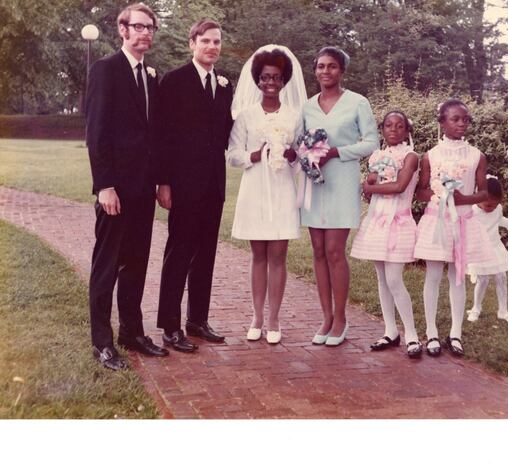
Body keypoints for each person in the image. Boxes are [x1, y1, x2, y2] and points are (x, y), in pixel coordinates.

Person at [85, 3, 168, 370]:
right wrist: (104, 186)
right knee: (107, 266)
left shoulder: (151, 75)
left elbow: (155, 136)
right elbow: (96, 133)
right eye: (138, 27)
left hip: (143, 190)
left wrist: (161, 181)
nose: (145, 33)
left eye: (150, 28)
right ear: (122, 30)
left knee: (135, 264)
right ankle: (102, 342)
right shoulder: (105, 70)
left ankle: (131, 332)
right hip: (115, 191)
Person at [154, 19, 233, 352]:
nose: (212, 47)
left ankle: (197, 320)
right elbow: (161, 136)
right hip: (183, 185)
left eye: (216, 42)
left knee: (206, 255)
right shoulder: (173, 81)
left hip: (214, 185)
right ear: (192, 43)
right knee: (179, 254)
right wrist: (164, 182)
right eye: (206, 41)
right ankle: (170, 327)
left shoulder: (225, 85)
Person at [227, 46, 307, 344]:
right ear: (257, 80)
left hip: (283, 189)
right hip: (255, 190)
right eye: (264, 77)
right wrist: (254, 156)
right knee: (258, 256)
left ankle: (274, 318)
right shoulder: (246, 115)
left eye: (276, 77)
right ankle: (257, 316)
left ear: (284, 80)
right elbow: (233, 154)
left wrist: (292, 154)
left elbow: (303, 156)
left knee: (278, 256)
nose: (270, 82)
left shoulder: (294, 115)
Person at [300, 46, 379, 346]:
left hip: (342, 179)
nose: (325, 72)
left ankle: (342, 318)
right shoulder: (308, 106)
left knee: (334, 251)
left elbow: (371, 142)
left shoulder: (357, 102)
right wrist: (307, 154)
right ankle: (326, 316)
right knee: (318, 252)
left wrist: (337, 152)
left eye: (332, 66)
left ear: (342, 70)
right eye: (320, 66)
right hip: (315, 182)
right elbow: (300, 141)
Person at [413, 99, 491, 357]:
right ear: (442, 122)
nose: (461, 124)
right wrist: (439, 195)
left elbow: (483, 193)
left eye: (465, 119)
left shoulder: (476, 155)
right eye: (455, 119)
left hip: (464, 222)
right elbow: (421, 191)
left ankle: (455, 332)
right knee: (433, 275)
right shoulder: (431, 156)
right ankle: (432, 332)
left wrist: (462, 200)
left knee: (458, 277)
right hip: (438, 221)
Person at [350, 111, 422, 357]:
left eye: (399, 126)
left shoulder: (411, 157)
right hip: (378, 221)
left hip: (399, 222)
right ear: (382, 129)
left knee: (394, 279)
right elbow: (369, 188)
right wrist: (372, 186)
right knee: (381, 278)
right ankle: (390, 331)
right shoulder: (377, 155)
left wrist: (373, 187)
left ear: (407, 130)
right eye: (389, 125)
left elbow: (400, 186)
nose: (393, 129)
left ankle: (412, 334)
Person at [466, 175, 508, 325]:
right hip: (479, 249)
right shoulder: (471, 211)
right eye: (488, 206)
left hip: (495, 246)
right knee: (483, 279)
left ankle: (503, 310)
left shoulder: (497, 209)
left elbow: (500, 220)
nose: (491, 209)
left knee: (502, 276)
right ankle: (476, 308)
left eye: (494, 206)